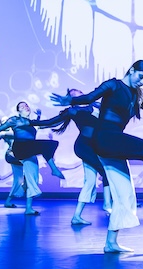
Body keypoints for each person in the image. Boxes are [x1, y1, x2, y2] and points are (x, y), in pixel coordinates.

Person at [50, 60, 143, 252]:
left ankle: (110, 243)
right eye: (140, 77)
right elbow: (88, 98)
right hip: (105, 138)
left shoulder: (139, 96)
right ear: (131, 70)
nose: (142, 82)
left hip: (114, 144)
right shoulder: (113, 85)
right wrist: (69, 100)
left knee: (125, 194)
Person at [0, 102, 67, 216]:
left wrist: (66, 117)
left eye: (27, 105)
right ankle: (54, 169)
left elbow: (49, 123)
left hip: (30, 150)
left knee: (32, 177)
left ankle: (29, 208)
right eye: (22, 106)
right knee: (49, 145)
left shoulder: (33, 123)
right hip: (20, 148)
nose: (26, 107)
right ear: (18, 111)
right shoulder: (14, 120)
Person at [31, 91, 106, 226]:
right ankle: (109, 205)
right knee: (105, 172)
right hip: (84, 146)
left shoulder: (95, 106)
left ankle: (77, 216)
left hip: (98, 146)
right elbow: (50, 122)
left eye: (80, 94)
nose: (77, 97)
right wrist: (29, 122)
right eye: (73, 96)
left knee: (90, 181)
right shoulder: (73, 111)